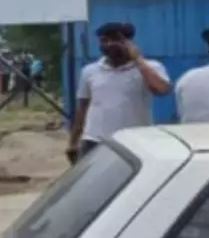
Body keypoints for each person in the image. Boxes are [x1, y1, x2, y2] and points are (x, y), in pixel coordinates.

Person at [67, 22, 172, 164]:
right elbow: (83, 108)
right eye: (104, 40)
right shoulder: (90, 71)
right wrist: (73, 142)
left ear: (129, 42)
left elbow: (162, 90)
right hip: (95, 141)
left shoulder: (150, 67)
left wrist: (138, 59)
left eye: (116, 39)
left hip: (135, 141)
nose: (109, 44)